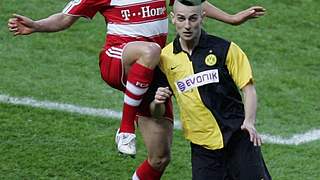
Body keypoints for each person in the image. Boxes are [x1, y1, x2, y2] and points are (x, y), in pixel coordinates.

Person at [8, 0, 266, 179]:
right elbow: (65, 17)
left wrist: (232, 19)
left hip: (151, 73)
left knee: (160, 157)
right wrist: (36, 25)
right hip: (117, 62)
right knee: (150, 49)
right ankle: (125, 128)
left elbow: (189, 4)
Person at [153, 0, 272, 179]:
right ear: (173, 19)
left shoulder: (226, 49)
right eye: (181, 18)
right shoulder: (164, 59)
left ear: (203, 17)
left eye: (193, 19)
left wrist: (249, 121)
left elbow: (248, 89)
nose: (187, 25)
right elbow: (157, 112)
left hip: (238, 139)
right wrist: (157, 102)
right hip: (203, 150)